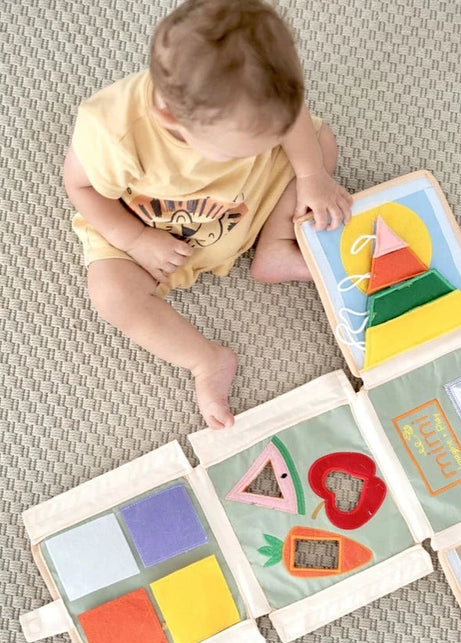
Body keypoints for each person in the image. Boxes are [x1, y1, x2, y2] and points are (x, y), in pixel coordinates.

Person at [63, 0, 352, 429]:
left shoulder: (265, 99)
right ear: (168, 116)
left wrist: (311, 173)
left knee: (320, 142)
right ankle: (206, 360)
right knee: (112, 295)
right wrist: (135, 241)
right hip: (147, 225)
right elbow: (79, 187)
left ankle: (272, 248)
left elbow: (296, 127)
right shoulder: (112, 132)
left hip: (247, 197)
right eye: (244, 146)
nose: (266, 144)